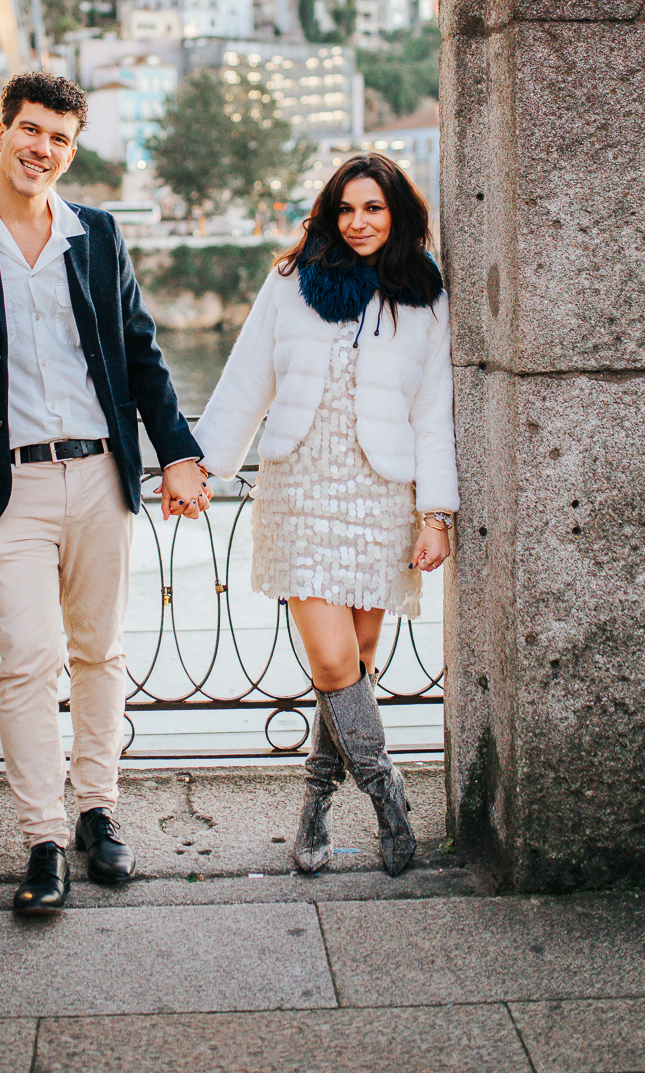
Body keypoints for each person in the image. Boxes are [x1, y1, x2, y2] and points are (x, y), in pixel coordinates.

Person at [0, 72, 209, 914]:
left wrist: (178, 454)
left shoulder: (98, 234)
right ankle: (42, 838)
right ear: (0, 134)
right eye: (32, 131)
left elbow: (140, 352)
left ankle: (96, 811)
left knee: (100, 654)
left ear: (72, 150)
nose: (44, 149)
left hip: (101, 477)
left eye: (61, 139)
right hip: (6, 489)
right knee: (28, 664)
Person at [193, 154, 457, 877]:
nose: (359, 222)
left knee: (357, 669)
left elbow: (435, 415)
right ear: (329, 213)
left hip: (380, 497)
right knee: (335, 659)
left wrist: (435, 514)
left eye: (373, 208)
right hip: (301, 488)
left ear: (398, 214)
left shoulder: (426, 297)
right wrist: (201, 465)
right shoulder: (290, 283)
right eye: (347, 209)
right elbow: (248, 376)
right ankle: (386, 793)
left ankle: (313, 803)